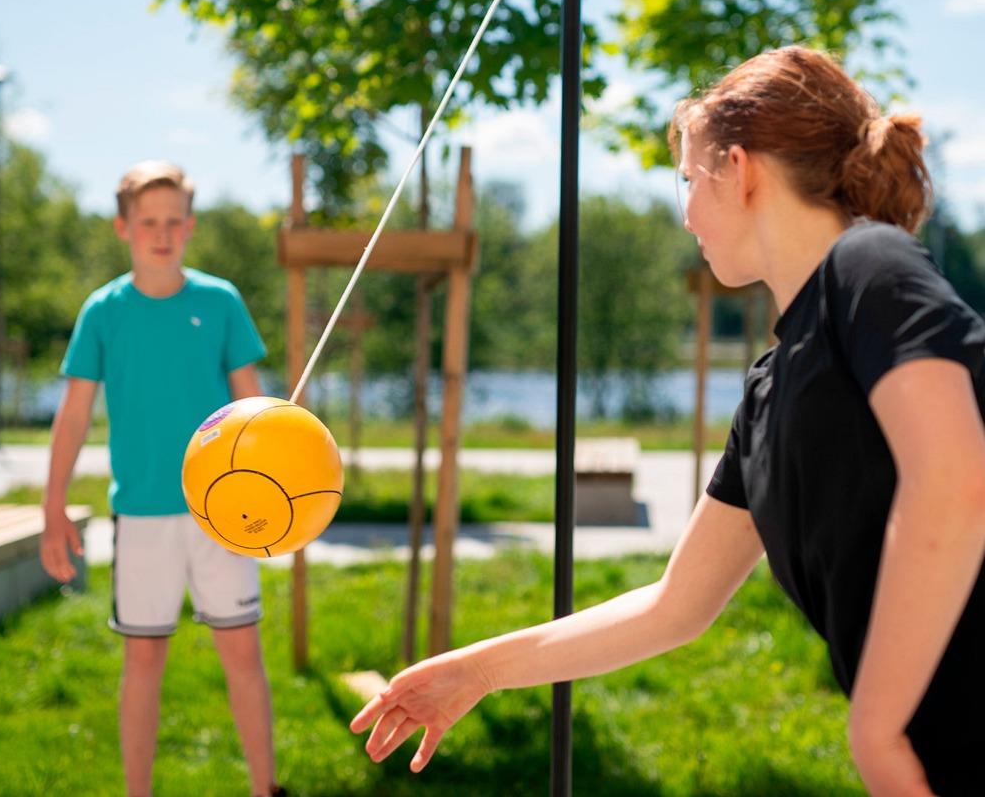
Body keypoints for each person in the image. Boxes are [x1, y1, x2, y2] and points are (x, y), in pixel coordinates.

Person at [350, 46, 985, 797]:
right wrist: (475, 673)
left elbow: (954, 479)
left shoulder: (869, 266)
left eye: (688, 179)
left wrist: (875, 728)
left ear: (738, 170)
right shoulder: (770, 389)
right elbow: (671, 608)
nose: (685, 215)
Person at [40, 160, 286, 797]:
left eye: (174, 220)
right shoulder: (103, 311)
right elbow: (73, 416)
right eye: (148, 221)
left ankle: (266, 788)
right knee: (144, 657)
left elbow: (253, 409)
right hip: (142, 513)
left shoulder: (221, 301)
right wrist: (52, 507)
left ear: (190, 226)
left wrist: (279, 480)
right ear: (123, 227)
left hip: (223, 512)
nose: (162, 233)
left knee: (243, 652)